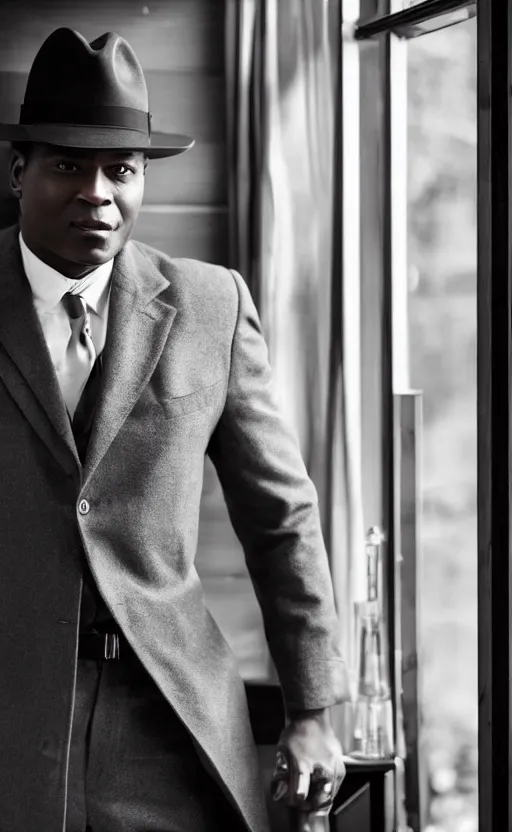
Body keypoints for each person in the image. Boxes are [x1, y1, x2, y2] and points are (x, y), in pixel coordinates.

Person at [0, 27, 349, 832]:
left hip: (169, 727)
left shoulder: (210, 307)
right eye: (67, 165)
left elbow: (281, 519)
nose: (99, 192)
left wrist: (313, 707)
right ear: (18, 171)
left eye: (122, 169)